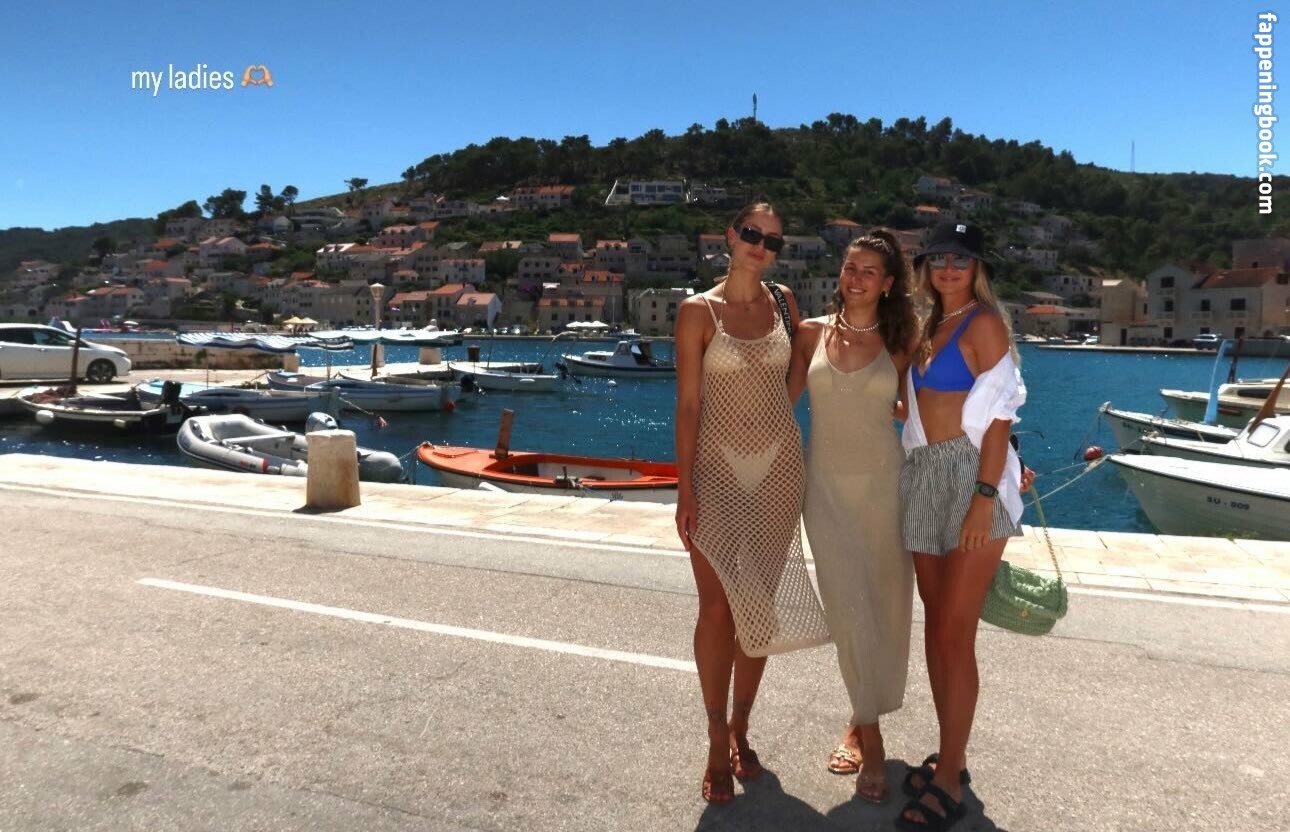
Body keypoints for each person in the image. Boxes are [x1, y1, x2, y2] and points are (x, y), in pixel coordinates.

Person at [674, 202, 832, 805]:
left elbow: (799, 371)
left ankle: (742, 727)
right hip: (713, 474)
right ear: (729, 236)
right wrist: (685, 488)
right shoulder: (697, 311)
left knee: (757, 609)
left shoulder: (784, 303)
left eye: (772, 240)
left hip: (778, 473)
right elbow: (689, 405)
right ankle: (716, 738)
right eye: (751, 234)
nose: (761, 246)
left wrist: (773, 416)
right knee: (717, 610)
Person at [895, 221, 1028, 831]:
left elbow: (999, 417)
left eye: (961, 259)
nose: (948, 268)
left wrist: (984, 497)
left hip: (971, 477)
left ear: (977, 269)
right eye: (939, 258)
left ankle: (949, 777)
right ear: (926, 268)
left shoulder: (984, 324)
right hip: (924, 475)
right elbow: (919, 405)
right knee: (936, 631)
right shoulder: (928, 326)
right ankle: (952, 753)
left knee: (955, 633)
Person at [788, 230, 918, 805]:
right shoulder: (810, 333)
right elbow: (781, 405)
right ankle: (873, 738)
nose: (856, 278)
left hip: (887, 490)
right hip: (825, 492)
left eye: (869, 271)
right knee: (846, 607)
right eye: (849, 267)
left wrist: (1005, 462)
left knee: (884, 607)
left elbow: (929, 412)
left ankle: (858, 719)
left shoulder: (903, 339)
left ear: (887, 283)